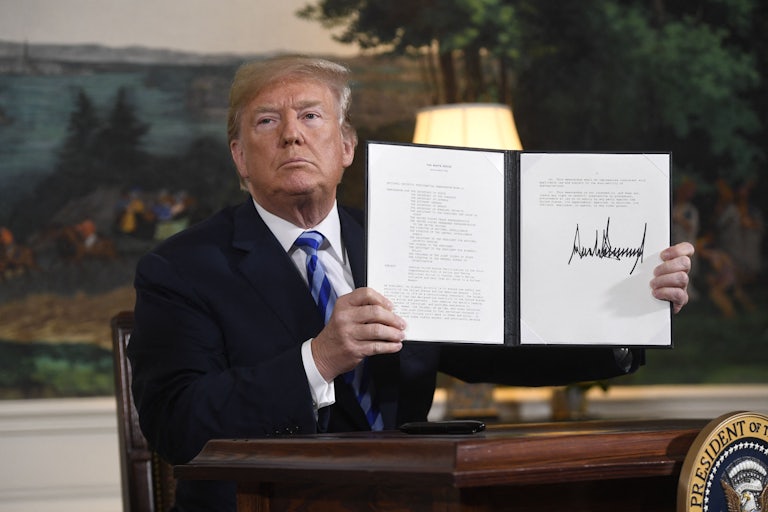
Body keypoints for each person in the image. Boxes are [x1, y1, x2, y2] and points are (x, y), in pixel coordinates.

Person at [128, 56, 694, 512]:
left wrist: (629, 311)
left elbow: (500, 349)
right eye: (267, 121)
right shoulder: (181, 269)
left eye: (310, 116)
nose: (292, 137)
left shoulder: (408, 239)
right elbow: (178, 427)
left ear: (346, 147)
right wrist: (317, 360)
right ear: (240, 158)